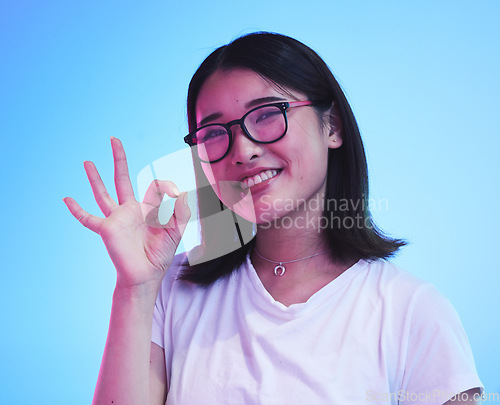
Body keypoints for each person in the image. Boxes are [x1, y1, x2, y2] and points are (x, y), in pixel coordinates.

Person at [64, 32, 483, 404]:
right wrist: (135, 288)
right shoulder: (171, 290)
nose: (241, 150)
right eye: (214, 133)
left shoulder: (411, 312)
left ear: (332, 125)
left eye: (266, 114)